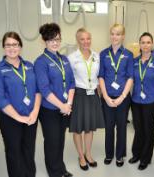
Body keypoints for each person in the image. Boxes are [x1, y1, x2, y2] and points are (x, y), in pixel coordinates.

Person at [0, 31, 41, 177]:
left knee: (29, 150)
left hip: (31, 117)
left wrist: (35, 111)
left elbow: (37, 90)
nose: (12, 48)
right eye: (8, 45)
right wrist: (19, 118)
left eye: (15, 44)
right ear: (3, 47)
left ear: (20, 46)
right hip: (10, 119)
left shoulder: (29, 66)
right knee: (14, 152)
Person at [34, 23, 75, 177]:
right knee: (52, 142)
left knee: (60, 140)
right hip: (49, 110)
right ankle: (55, 173)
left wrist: (68, 104)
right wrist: (61, 106)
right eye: (51, 39)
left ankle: (60, 168)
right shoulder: (41, 62)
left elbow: (71, 82)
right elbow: (44, 90)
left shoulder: (64, 59)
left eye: (57, 39)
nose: (55, 42)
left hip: (65, 107)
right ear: (44, 41)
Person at [67, 28, 104, 171]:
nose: (85, 41)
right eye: (82, 39)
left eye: (88, 38)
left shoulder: (97, 56)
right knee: (78, 128)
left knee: (90, 128)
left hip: (93, 94)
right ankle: (80, 156)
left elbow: (98, 77)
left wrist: (99, 96)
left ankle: (88, 154)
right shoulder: (72, 58)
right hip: (79, 95)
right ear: (78, 40)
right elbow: (70, 81)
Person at [128, 32, 154, 170]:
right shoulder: (135, 61)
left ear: (152, 44)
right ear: (140, 44)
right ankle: (136, 154)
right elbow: (130, 80)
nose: (145, 45)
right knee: (137, 129)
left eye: (148, 42)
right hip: (136, 101)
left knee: (148, 130)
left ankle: (145, 158)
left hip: (150, 102)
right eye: (143, 42)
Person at [99, 24, 133, 167]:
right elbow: (101, 76)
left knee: (121, 127)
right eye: (112, 33)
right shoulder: (103, 54)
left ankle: (119, 155)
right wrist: (106, 97)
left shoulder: (129, 55)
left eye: (118, 34)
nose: (115, 37)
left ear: (123, 36)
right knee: (109, 127)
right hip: (107, 97)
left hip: (123, 98)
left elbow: (130, 77)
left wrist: (122, 97)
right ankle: (109, 154)